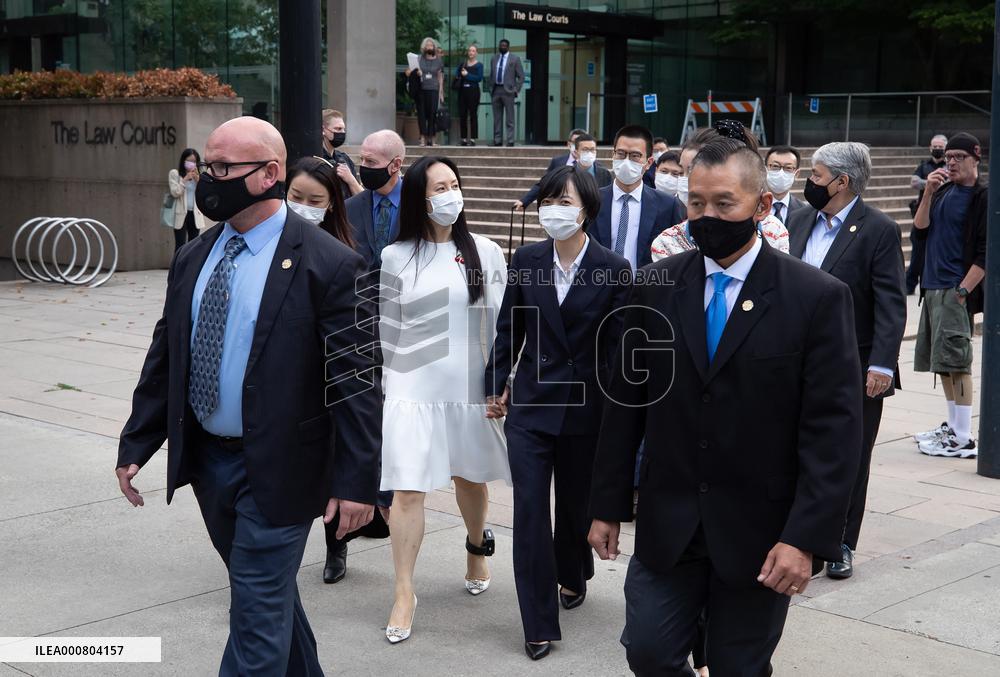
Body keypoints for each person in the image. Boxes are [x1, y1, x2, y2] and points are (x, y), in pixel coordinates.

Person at [115, 116, 381, 675]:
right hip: (210, 462)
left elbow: (357, 383)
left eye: (221, 168)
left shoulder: (330, 264)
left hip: (283, 467)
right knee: (268, 596)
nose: (207, 178)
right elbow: (169, 353)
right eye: (206, 165)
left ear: (270, 174)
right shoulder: (195, 255)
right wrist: (138, 440)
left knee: (255, 622)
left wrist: (357, 482)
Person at [588, 135, 862, 677]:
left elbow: (834, 429)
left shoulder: (817, 298)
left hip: (759, 533)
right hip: (670, 525)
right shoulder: (654, 287)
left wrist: (805, 539)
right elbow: (626, 406)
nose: (706, 215)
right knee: (648, 651)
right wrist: (606, 504)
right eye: (696, 202)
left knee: (739, 665)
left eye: (723, 204)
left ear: (761, 206)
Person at [485, 166, 631, 661]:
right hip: (531, 407)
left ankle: (573, 571)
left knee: (573, 507)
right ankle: (538, 621)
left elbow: (618, 349)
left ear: (587, 208)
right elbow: (509, 330)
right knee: (529, 513)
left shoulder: (613, 267)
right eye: (547, 201)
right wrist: (495, 385)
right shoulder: (526, 259)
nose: (553, 210)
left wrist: (619, 411)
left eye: (564, 202)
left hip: (587, 408)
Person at [379, 155, 511, 644]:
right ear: (419, 197)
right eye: (439, 187)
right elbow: (386, 328)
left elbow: (500, 325)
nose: (449, 195)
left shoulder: (486, 251)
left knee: (469, 478)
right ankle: (404, 591)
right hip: (413, 388)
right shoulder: (396, 257)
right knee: (407, 490)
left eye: (454, 184)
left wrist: (502, 385)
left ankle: (477, 545)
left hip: (469, 388)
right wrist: (391, 391)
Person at [786, 142, 907, 579]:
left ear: (843, 182)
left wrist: (882, 364)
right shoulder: (799, 219)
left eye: (816, 176)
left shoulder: (878, 229)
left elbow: (891, 302)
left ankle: (840, 543)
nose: (809, 183)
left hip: (854, 364)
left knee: (850, 457)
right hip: (796, 359)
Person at [285, 155, 394, 583]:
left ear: (332, 204)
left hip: (330, 377)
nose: (304, 206)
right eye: (297, 197)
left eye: (315, 199)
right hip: (286, 380)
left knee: (333, 463)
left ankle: (337, 546)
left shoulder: (344, 256)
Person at [911, 132, 988, 458]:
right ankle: (954, 428)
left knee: (958, 363)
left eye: (959, 157)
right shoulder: (942, 191)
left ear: (976, 157)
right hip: (932, 288)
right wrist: (928, 192)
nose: (951, 162)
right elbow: (920, 228)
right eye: (949, 158)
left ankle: (963, 436)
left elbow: (986, 253)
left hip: (954, 289)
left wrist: (963, 291)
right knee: (942, 363)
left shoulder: (982, 197)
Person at [650, 121, 787, 261]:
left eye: (693, 169)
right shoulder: (667, 243)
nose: (686, 180)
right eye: (682, 171)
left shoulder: (773, 231)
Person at [592, 124, 684, 271]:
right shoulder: (592, 200)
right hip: (600, 287)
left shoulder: (667, 205)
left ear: (648, 163)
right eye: (621, 154)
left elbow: (678, 257)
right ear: (613, 155)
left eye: (635, 156)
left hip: (646, 288)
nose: (626, 161)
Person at [344, 130, 406, 269]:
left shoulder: (419, 204)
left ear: (395, 165)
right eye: (362, 160)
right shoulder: (349, 208)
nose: (363, 167)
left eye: (371, 162)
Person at [514, 130, 609, 211]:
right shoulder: (558, 163)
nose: (588, 153)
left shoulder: (602, 172)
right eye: (584, 148)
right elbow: (544, 184)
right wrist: (525, 201)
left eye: (592, 149)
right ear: (572, 146)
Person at [907, 135, 949, 294]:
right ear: (930, 148)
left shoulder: (949, 166)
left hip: (941, 215)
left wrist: (928, 182)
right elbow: (914, 182)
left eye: (940, 147)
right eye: (935, 147)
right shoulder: (924, 165)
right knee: (917, 252)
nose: (937, 149)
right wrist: (931, 183)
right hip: (922, 214)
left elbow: (949, 182)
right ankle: (909, 284)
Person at [406, 37, 444, 147]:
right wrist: (416, 73)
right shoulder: (418, 59)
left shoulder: (439, 60)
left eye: (431, 45)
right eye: (427, 45)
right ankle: (422, 138)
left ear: (434, 47)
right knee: (422, 115)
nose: (429, 47)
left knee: (433, 114)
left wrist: (441, 93)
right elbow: (408, 72)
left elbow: (440, 77)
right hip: (421, 90)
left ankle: (432, 139)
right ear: (424, 47)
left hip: (434, 89)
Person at [320, 108, 363, 200]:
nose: (342, 133)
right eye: (338, 129)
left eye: (343, 129)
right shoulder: (316, 160)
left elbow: (361, 197)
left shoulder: (344, 159)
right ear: (323, 130)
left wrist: (350, 179)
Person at [167, 148, 206, 251]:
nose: (191, 164)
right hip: (181, 214)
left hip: (195, 214)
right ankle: (178, 267)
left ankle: (191, 267)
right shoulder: (175, 174)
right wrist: (184, 180)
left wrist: (198, 181)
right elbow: (175, 192)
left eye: (194, 161)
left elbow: (204, 194)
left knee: (194, 245)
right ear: (183, 161)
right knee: (180, 245)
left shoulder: (199, 176)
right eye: (189, 161)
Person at [489, 39, 524, 147]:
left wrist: (516, 90)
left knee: (510, 118)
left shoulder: (515, 59)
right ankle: (497, 140)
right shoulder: (494, 58)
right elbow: (491, 74)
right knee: (497, 118)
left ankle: (510, 140)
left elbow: (521, 77)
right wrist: (491, 88)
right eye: (501, 45)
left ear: (508, 47)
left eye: (504, 45)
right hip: (496, 90)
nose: (502, 47)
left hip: (508, 91)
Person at [764, 145, 807, 223]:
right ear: (765, 170)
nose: (781, 173)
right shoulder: (753, 206)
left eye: (788, 168)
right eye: (775, 166)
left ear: (796, 174)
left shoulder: (803, 211)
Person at [456, 45, 484, 146]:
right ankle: (463, 139)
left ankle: (472, 139)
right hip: (463, 91)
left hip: (473, 92)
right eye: (470, 51)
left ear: (476, 53)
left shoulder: (479, 65)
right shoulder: (462, 64)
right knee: (462, 115)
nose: (471, 52)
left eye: (473, 51)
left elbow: (479, 78)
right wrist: (460, 74)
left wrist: (467, 75)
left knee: (473, 115)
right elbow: (457, 74)